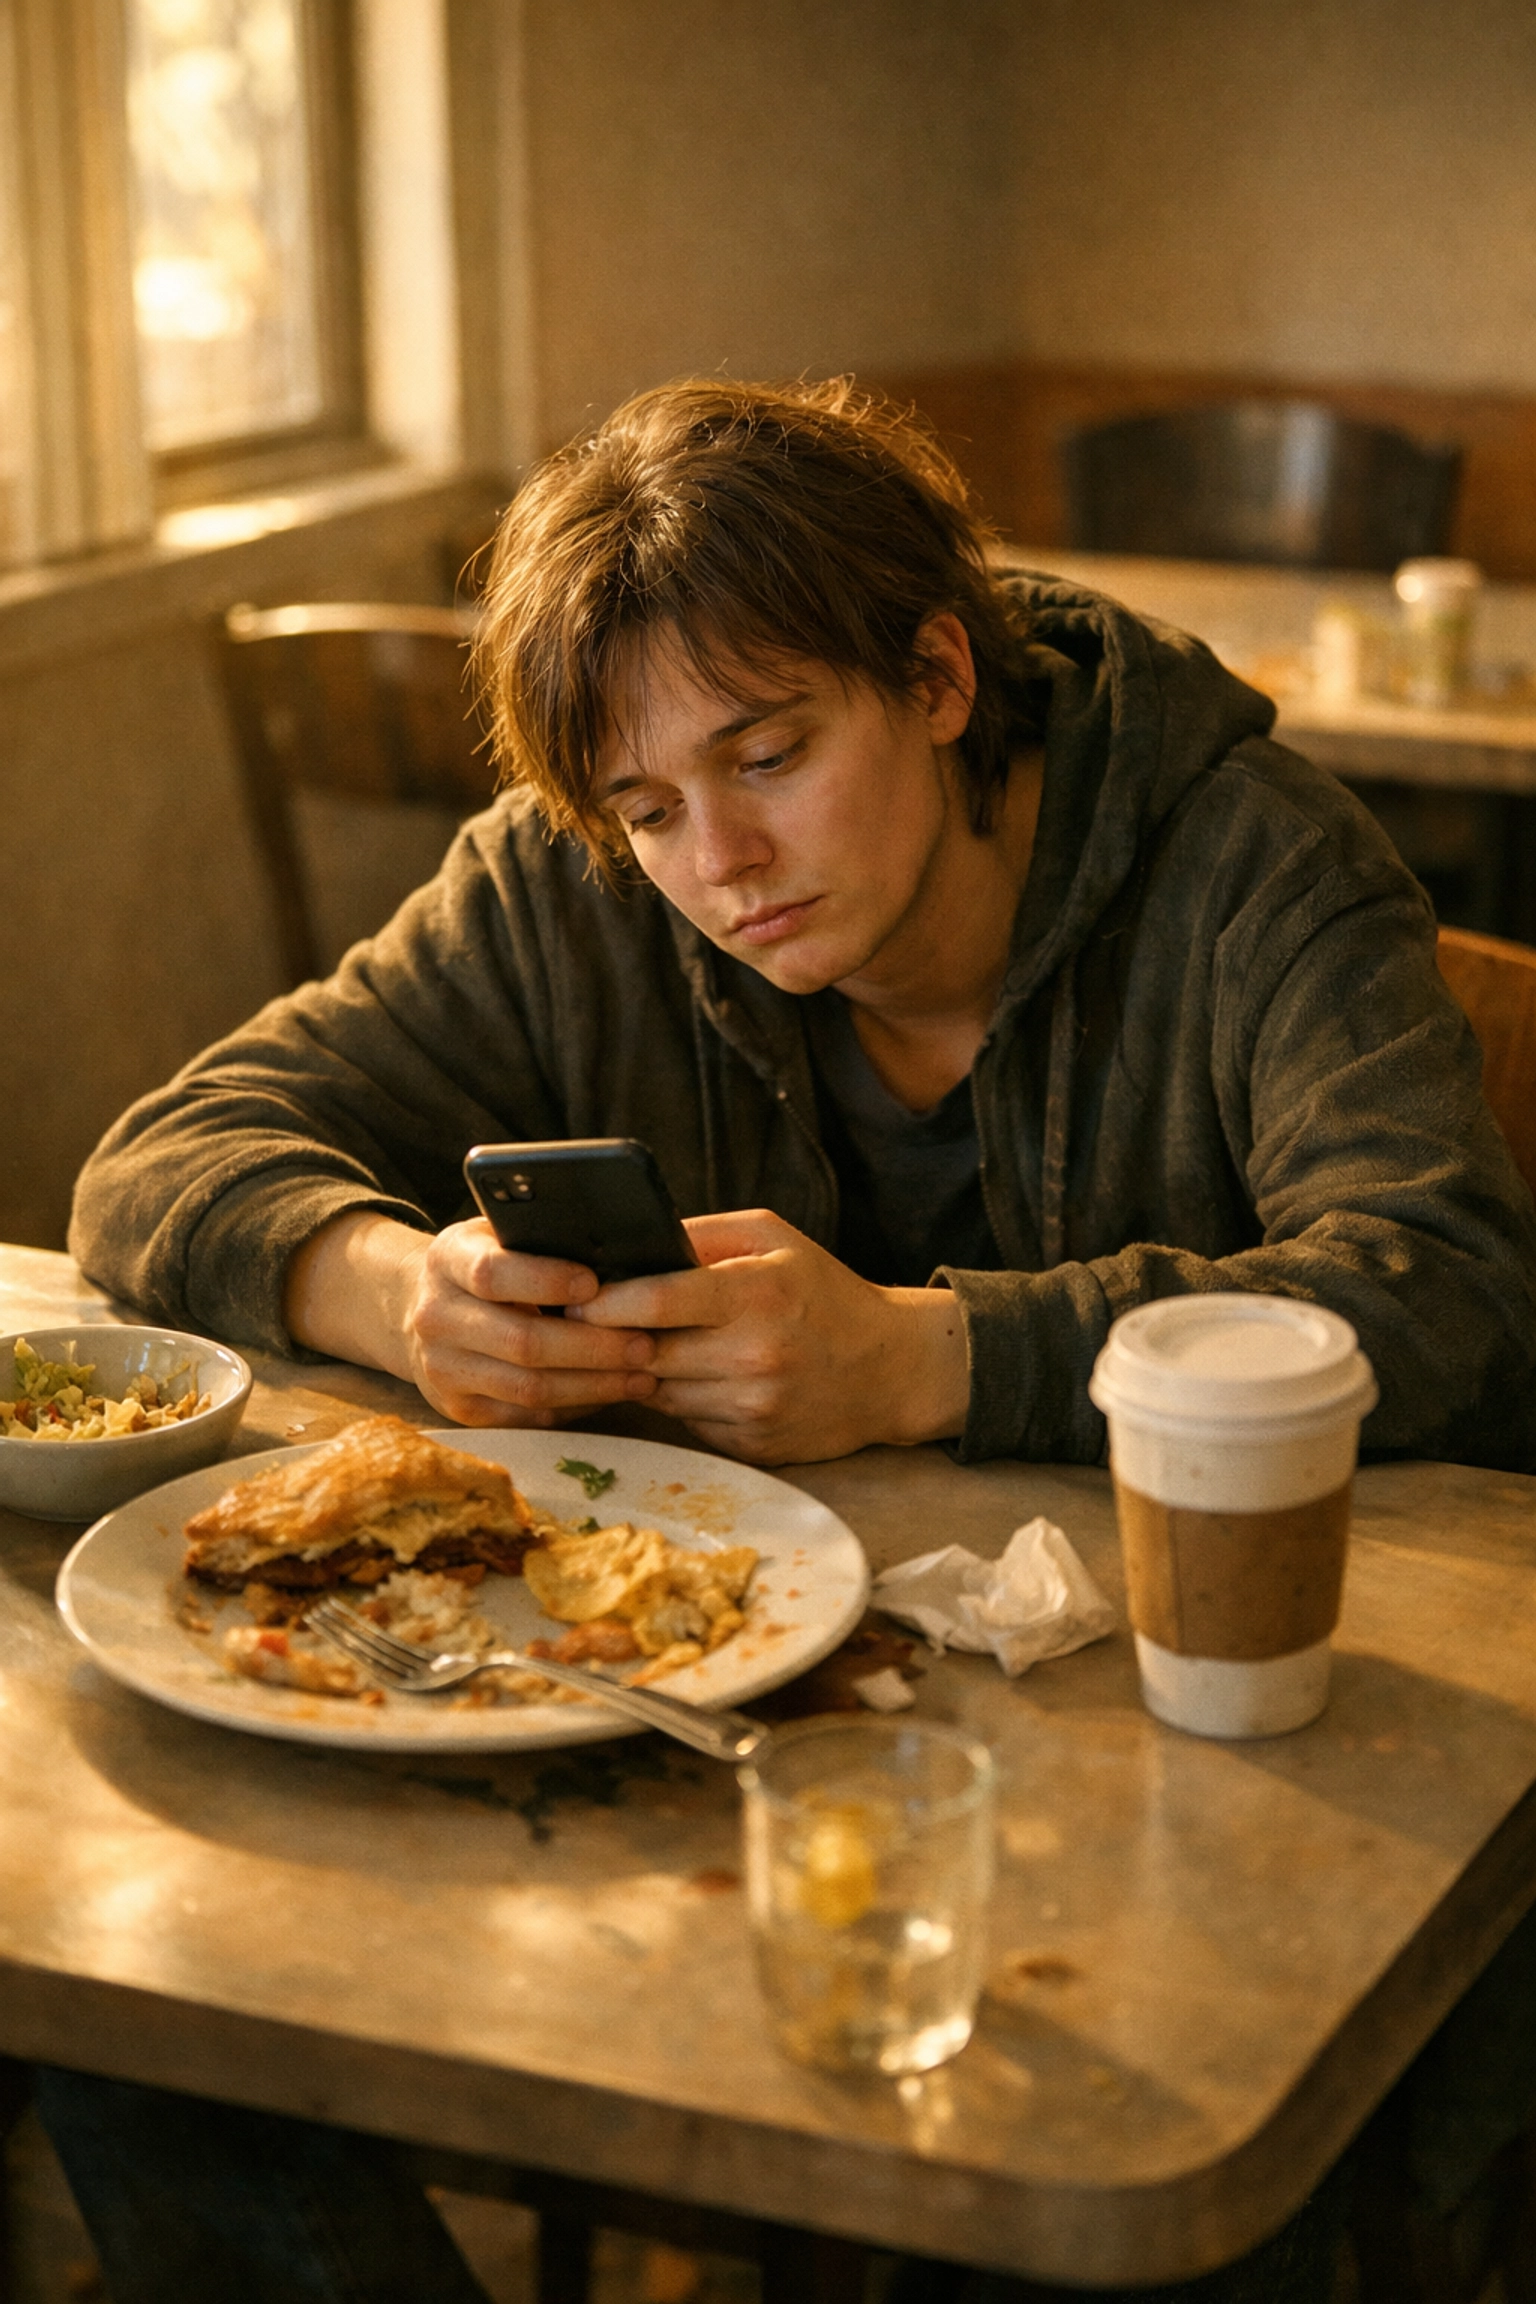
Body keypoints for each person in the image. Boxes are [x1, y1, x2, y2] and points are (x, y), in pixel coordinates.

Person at [47, 378, 1536, 2304]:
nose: (718, 863)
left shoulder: (1253, 861)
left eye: (768, 756)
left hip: (1212, 1798)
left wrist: (928, 1357)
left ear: (932, 673)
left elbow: (1451, 1281)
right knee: (148, 2031)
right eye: (649, 807)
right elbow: (163, 1153)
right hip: (705, 1775)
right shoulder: (575, 877)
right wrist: (385, 1283)